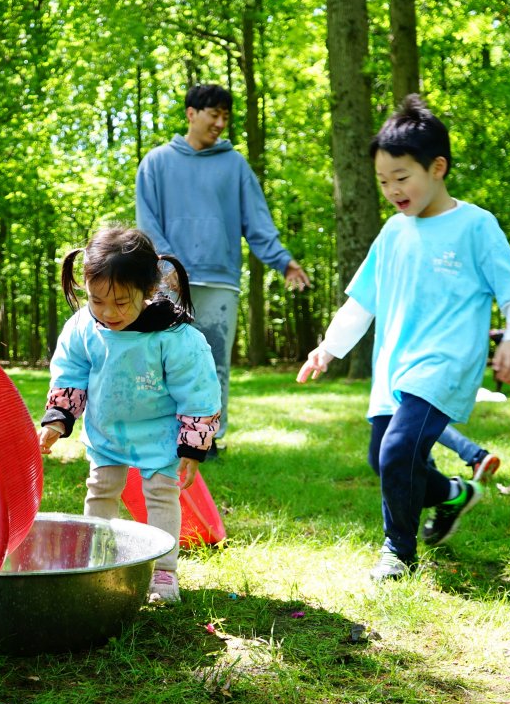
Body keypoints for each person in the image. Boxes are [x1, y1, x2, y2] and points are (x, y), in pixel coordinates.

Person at [297, 95, 510, 581]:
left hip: (445, 364)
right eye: (383, 181)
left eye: (402, 178)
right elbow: (361, 303)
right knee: (383, 460)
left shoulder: (475, 226)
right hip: (394, 367)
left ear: (437, 168)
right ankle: (453, 493)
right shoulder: (392, 232)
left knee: (398, 452)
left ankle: (398, 551)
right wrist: (327, 348)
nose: (392, 190)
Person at [37, 227, 221, 604]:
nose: (109, 312)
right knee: (101, 489)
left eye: (121, 302)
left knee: (161, 494)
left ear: (148, 290)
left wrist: (193, 444)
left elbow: (197, 390)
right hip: (108, 431)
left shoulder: (172, 337)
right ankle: (96, 562)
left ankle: (164, 571)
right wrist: (58, 418)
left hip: (158, 435)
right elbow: (70, 372)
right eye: (97, 300)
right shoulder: (83, 328)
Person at [136, 83, 311, 457]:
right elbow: (147, 222)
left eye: (225, 117)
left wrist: (283, 261)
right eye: (214, 114)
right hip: (170, 282)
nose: (220, 123)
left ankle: (207, 439)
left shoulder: (235, 165)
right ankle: (163, 436)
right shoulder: (156, 162)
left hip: (219, 280)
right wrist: (167, 264)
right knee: (164, 360)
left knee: (214, 363)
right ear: (191, 114)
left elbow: (257, 220)